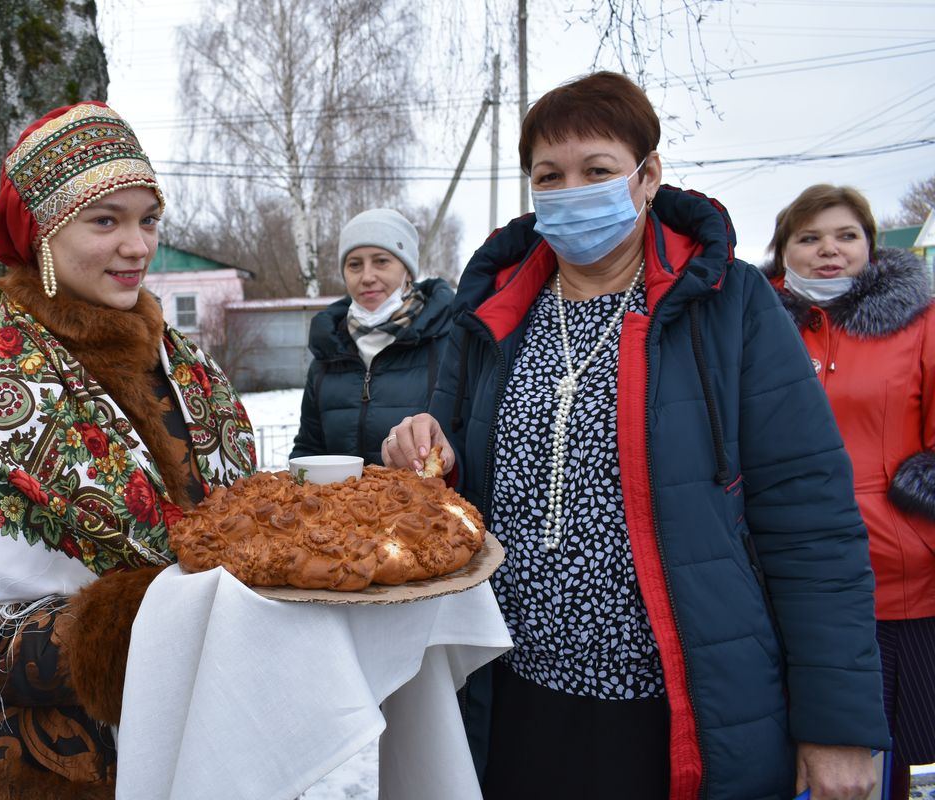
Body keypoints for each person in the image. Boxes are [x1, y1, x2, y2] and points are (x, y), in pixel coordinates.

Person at [381, 72, 889, 800]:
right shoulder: (493, 312)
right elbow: (460, 471)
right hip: (515, 696)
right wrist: (434, 452)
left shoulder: (728, 304)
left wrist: (837, 726)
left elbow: (810, 521)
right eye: (548, 176)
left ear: (648, 175)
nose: (570, 191)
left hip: (678, 707)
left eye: (597, 170)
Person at [0, 101, 257, 798]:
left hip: (204, 746)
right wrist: (162, 615)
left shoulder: (186, 369)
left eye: (147, 218)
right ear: (41, 232)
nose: (138, 245)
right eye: (106, 220)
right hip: (43, 774)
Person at [767, 184, 935, 800]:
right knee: (804, 769)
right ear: (784, 252)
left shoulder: (922, 326)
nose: (828, 251)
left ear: (871, 244)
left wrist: (916, 524)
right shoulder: (759, 331)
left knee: (906, 769)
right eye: (808, 238)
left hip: (902, 586)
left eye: (846, 235)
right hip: (788, 586)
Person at [290, 208, 453, 465]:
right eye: (354, 264)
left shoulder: (449, 345)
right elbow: (309, 447)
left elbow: (464, 443)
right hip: (337, 506)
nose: (367, 277)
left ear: (408, 271)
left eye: (381, 261)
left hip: (424, 503)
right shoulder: (328, 350)